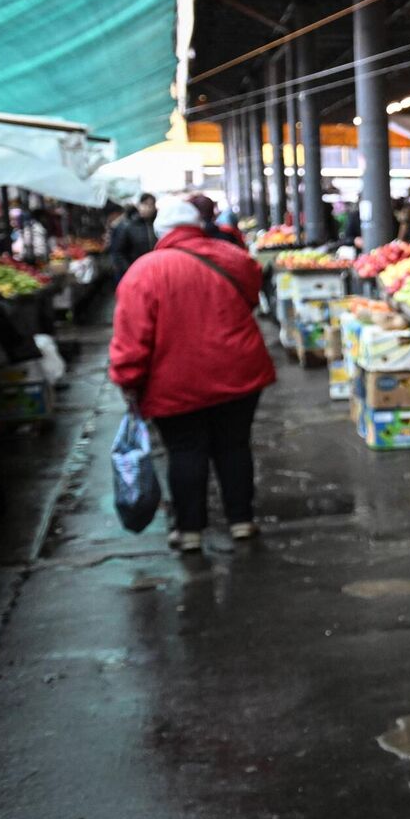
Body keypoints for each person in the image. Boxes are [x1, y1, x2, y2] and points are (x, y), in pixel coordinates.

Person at [108, 197, 277, 552]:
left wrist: (127, 380)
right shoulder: (234, 257)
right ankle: (241, 521)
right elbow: (251, 295)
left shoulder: (144, 271)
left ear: (160, 232)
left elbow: (131, 338)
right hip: (238, 370)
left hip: (174, 380)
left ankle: (189, 531)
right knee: (233, 446)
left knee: (185, 452)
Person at [105, 194, 157, 280]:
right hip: (133, 272)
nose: (147, 208)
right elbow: (118, 252)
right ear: (138, 205)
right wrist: (130, 271)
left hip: (153, 271)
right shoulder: (127, 225)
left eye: (151, 205)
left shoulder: (158, 224)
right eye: (144, 204)